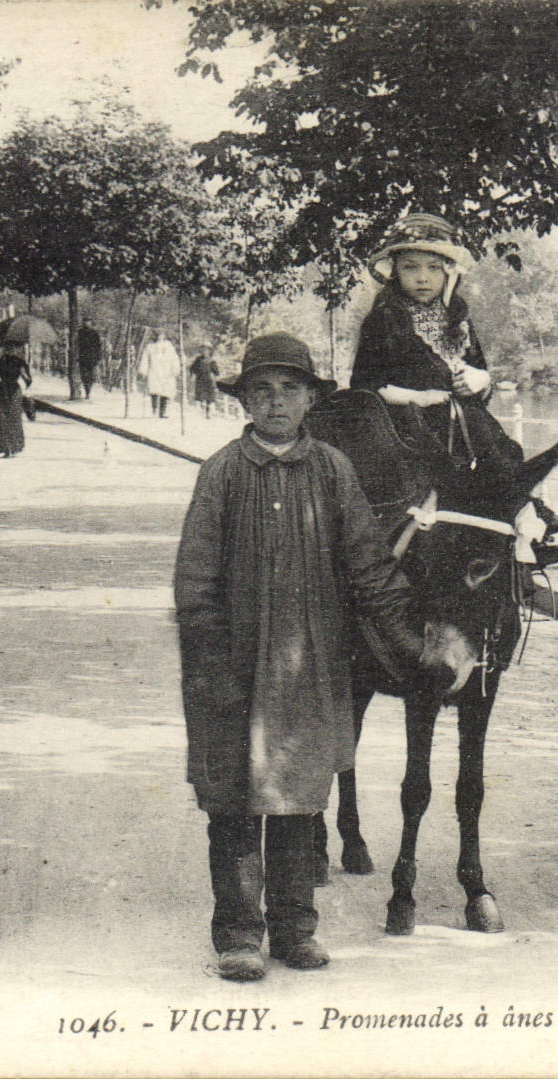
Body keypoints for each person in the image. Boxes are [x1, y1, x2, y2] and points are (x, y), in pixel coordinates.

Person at [173, 333, 426, 982]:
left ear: (312, 399)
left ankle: (293, 929)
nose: (276, 401)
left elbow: (369, 565)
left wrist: (408, 639)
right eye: (261, 390)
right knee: (232, 803)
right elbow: (195, 581)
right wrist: (209, 663)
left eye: (290, 389)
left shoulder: (333, 472)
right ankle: (238, 934)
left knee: (297, 800)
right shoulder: (222, 473)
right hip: (231, 667)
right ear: (243, 402)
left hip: (308, 665)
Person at [352, 212, 558, 561]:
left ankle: (522, 530)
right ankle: (522, 515)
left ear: (448, 273)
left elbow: (480, 374)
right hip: (406, 423)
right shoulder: (384, 319)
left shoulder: (459, 320)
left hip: (464, 421)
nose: (422, 277)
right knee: (465, 450)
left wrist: (480, 381)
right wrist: (420, 397)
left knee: (501, 447)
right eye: (410, 267)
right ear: (395, 272)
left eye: (433, 268)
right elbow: (365, 386)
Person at [0, 330, 33, 458]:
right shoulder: (20, 362)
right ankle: (15, 447)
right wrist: (26, 369)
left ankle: (6, 448)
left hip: (2, 391)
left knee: (3, 419)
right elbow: (28, 381)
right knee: (15, 419)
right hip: (15, 392)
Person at [140, 330, 180, 418]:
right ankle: (154, 411)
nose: (159, 337)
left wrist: (175, 369)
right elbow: (145, 358)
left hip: (166, 372)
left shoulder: (169, 346)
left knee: (165, 392)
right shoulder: (150, 346)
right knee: (154, 390)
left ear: (164, 336)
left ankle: (162, 412)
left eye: (161, 335)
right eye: (157, 335)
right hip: (154, 370)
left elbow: (174, 358)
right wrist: (144, 370)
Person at [75, 318, 103, 400]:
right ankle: (86, 390)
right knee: (83, 375)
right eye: (85, 322)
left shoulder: (95, 334)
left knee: (91, 376)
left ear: (91, 323)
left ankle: (88, 392)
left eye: (88, 322)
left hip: (92, 358)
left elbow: (98, 347)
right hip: (82, 357)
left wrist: (98, 358)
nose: (86, 324)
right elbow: (76, 345)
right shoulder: (80, 332)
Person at [190, 350, 216, 417]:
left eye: (207, 350)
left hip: (208, 380)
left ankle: (207, 413)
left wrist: (215, 375)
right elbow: (192, 368)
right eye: (204, 350)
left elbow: (216, 371)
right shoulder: (198, 360)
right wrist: (192, 375)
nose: (205, 352)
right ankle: (203, 409)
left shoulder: (211, 360)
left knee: (208, 398)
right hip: (200, 380)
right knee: (202, 396)